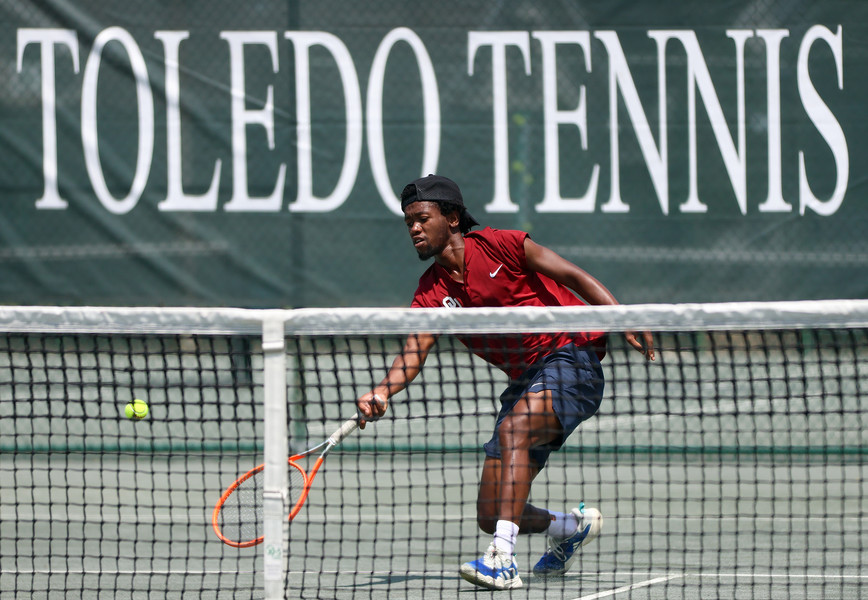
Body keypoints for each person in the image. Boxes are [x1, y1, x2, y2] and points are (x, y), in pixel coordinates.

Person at [357, 174, 655, 590]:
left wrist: (624, 318)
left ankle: (502, 559)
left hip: (572, 358)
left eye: (422, 218)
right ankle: (569, 526)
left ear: (454, 218)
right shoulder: (430, 293)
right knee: (491, 512)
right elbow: (412, 353)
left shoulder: (502, 244)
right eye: (408, 222)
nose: (414, 229)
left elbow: (573, 275)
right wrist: (383, 390)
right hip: (525, 381)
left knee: (516, 430)